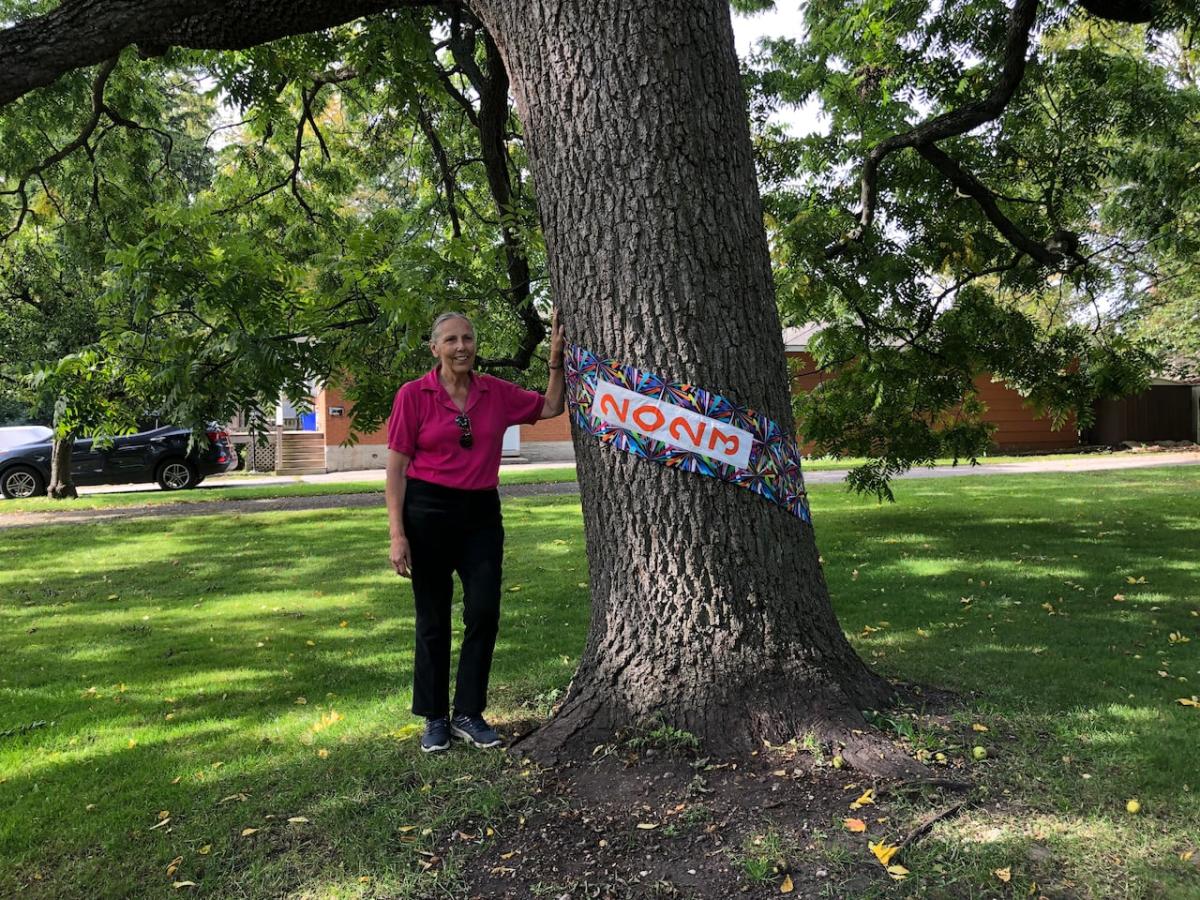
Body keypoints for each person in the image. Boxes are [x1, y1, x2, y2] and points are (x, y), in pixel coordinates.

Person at [386, 310, 566, 752]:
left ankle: (468, 712)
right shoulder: (413, 396)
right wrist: (397, 534)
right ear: (435, 349)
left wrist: (556, 362)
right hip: (427, 512)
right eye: (451, 340)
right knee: (433, 618)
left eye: (467, 338)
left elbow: (550, 406)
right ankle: (434, 718)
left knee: (483, 612)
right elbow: (395, 471)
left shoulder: (495, 393)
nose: (461, 346)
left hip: (481, 513)